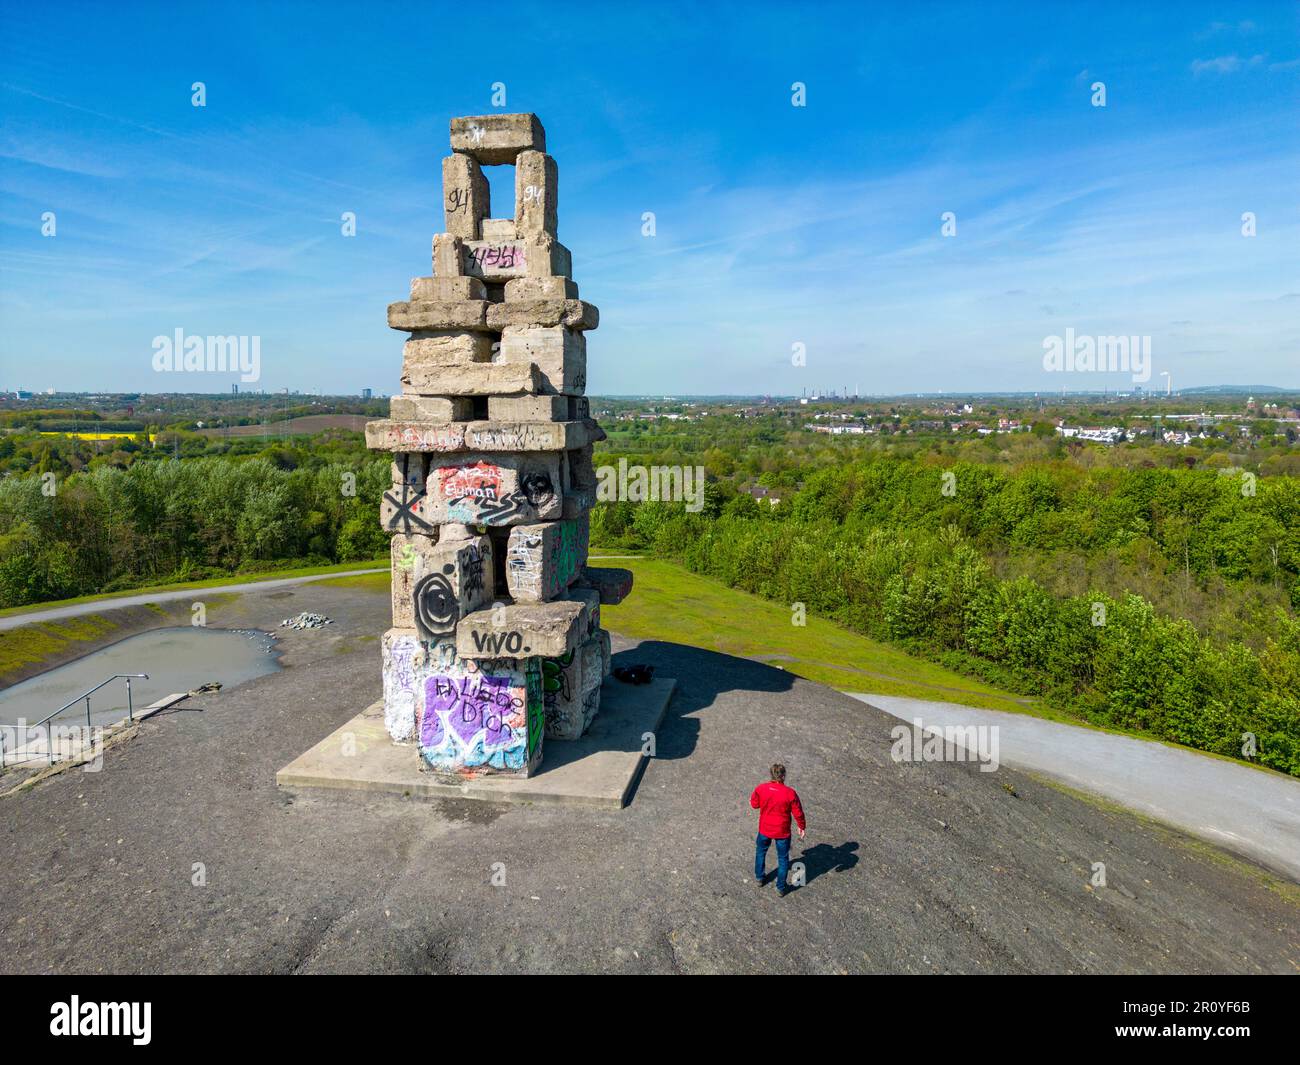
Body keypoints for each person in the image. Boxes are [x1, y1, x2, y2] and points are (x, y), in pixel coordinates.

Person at [750, 763, 806, 896]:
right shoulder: (790, 793)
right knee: (782, 858)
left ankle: (759, 878)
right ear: (784, 776)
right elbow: (798, 813)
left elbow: (754, 804)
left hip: (765, 829)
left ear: (771, 774)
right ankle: (780, 887)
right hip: (782, 831)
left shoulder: (761, 788)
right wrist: (801, 826)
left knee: (761, 852)